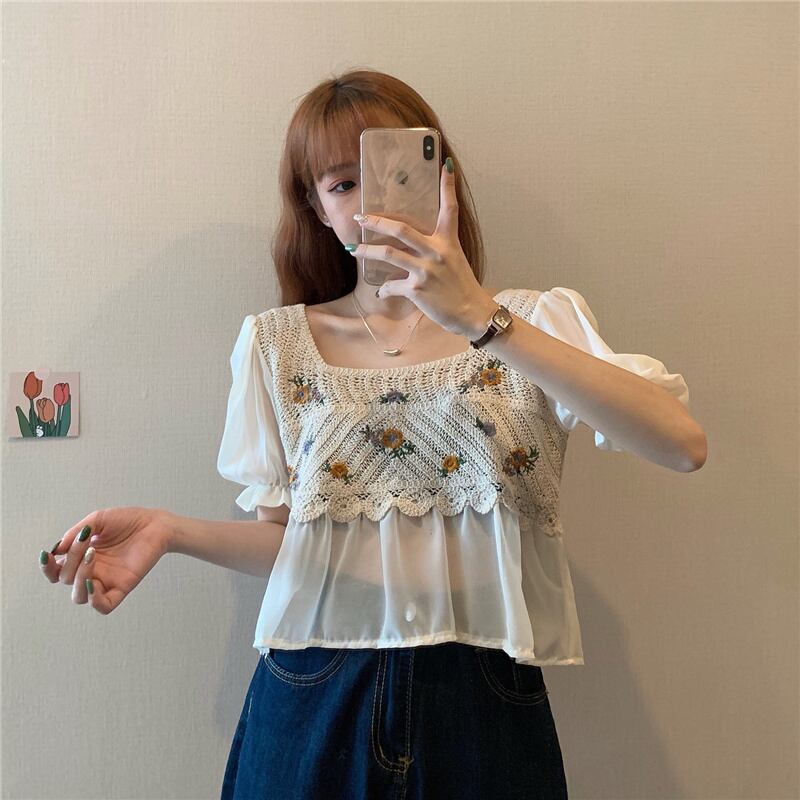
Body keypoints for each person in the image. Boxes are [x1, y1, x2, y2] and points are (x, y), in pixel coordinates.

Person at [39, 68, 707, 799]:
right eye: (342, 184)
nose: (371, 203)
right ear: (317, 207)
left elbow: (681, 444)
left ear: (443, 176)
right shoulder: (276, 345)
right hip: (313, 692)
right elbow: (296, 542)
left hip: (482, 701)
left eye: (392, 172)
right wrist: (170, 532)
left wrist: (479, 319)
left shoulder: (532, 322)